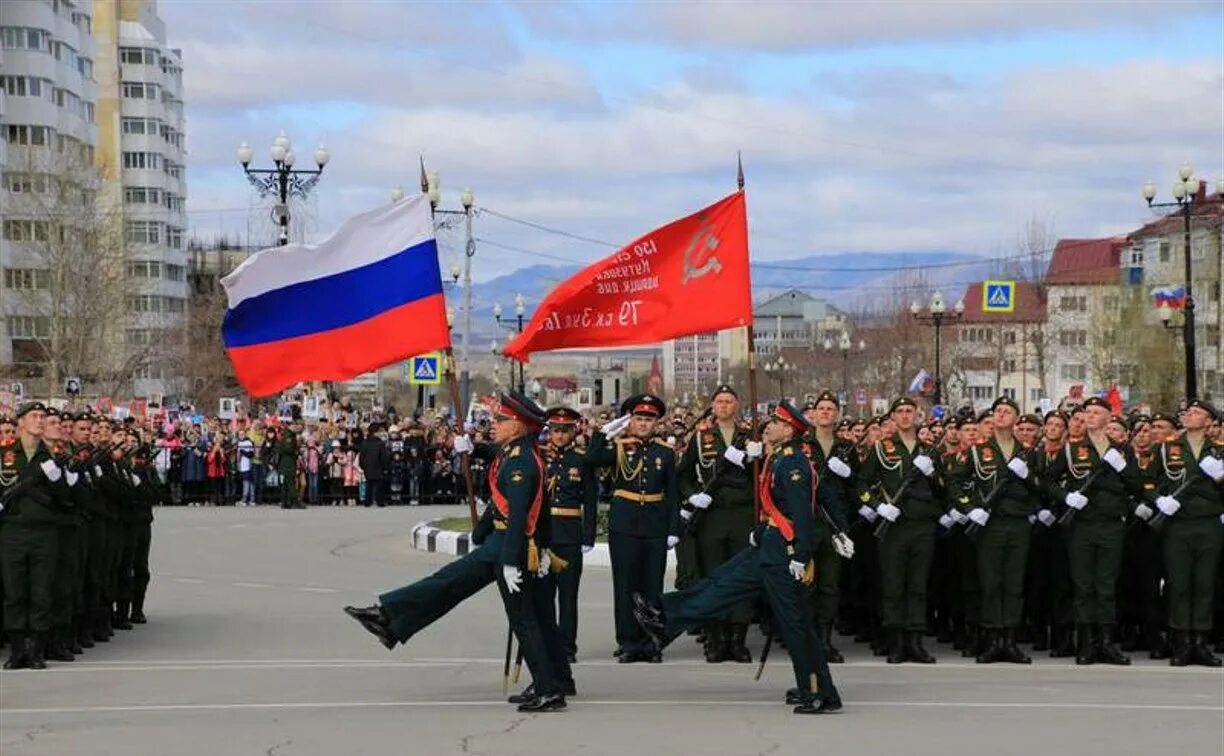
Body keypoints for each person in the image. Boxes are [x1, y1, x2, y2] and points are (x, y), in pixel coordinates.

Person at [343, 392, 567, 712]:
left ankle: (549, 688)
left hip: (509, 548)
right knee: (451, 581)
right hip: (498, 544)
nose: (494, 425)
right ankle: (389, 617)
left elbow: (522, 514)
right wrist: (472, 448)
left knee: (523, 618)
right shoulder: (515, 452)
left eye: (501, 421)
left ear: (517, 426)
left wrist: (517, 560)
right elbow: (503, 469)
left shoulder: (522, 463)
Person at [633, 401, 842, 715]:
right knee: (721, 583)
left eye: (774, 422)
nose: (767, 426)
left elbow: (802, 514)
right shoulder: (780, 458)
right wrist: (761, 529)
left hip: (783, 555)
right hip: (769, 546)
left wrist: (801, 555)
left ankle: (817, 689)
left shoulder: (793, 463)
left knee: (795, 624)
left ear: (787, 430)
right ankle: (663, 613)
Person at [1044, 396, 1155, 665]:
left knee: (1106, 585)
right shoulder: (1071, 450)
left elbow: (1139, 486)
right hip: (1081, 525)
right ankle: (1086, 643)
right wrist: (1066, 497)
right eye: (1087, 412)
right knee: (1083, 585)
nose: (1090, 416)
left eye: (1096, 412)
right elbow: (1047, 481)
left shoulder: (1122, 450)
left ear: (1108, 418)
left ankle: (1106, 642)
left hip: (1111, 525)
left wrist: (1123, 467)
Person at [585, 394, 680, 663]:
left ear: (656, 423)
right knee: (625, 585)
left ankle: (651, 642)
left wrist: (674, 528)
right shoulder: (618, 448)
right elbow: (591, 460)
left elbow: (672, 495)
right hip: (624, 524)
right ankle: (627, 641)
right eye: (638, 418)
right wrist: (602, 434)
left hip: (655, 524)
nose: (643, 424)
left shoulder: (665, 453)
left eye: (648, 419)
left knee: (652, 584)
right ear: (630, 421)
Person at [854, 397, 945, 664]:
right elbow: (861, 483)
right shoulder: (883, 449)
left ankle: (915, 641)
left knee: (918, 584)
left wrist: (931, 475)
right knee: (893, 584)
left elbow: (942, 490)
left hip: (922, 526)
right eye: (900, 412)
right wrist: (878, 506)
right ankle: (895, 642)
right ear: (892, 417)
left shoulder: (929, 451)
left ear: (918, 416)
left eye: (910, 411)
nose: (906, 416)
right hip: (893, 527)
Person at [949, 397, 1039, 664]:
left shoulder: (1027, 453)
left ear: (1016, 418)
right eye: (997, 411)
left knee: (1013, 583)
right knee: (990, 583)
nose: (1000, 415)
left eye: (1007, 411)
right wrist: (970, 508)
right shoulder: (978, 451)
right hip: (990, 524)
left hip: (1018, 523)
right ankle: (992, 640)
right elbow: (955, 482)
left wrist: (1027, 477)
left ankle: (1009, 641)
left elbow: (1041, 488)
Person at [676, 385, 762, 663]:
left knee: (741, 578)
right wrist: (693, 496)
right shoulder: (700, 439)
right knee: (712, 576)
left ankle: (737, 640)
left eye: (729, 401)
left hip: (741, 515)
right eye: (720, 401)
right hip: (712, 516)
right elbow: (683, 475)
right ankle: (715, 639)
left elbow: (763, 479)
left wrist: (756, 457)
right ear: (713, 406)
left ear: (736, 406)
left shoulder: (751, 437)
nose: (724, 406)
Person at [1152, 399, 1223, 667]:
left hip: (1208, 524)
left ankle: (1201, 644)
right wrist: (1159, 500)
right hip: (1177, 525)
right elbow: (1150, 482)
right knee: (1179, 585)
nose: (1189, 415)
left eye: (1196, 413)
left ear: (1209, 421)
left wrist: (1220, 478)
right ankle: (1181, 643)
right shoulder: (1167, 448)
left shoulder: (1219, 451)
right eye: (1188, 412)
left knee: (1204, 585)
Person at [1, 402, 66, 670]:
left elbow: (66, 498)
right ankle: (17, 651)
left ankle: (37, 650)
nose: (40, 420)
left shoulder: (51, 457)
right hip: (12, 531)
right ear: (21, 423)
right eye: (34, 416)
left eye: (43, 416)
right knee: (14, 593)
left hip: (44, 532)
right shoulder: (5, 456)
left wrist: (57, 478)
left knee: (41, 592)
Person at [799, 391, 855, 663]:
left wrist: (849, 472)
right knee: (807, 584)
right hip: (808, 521)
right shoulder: (801, 444)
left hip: (834, 524)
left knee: (830, 585)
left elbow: (857, 485)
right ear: (812, 413)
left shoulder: (846, 447)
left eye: (831, 409)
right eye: (821, 408)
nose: (825, 413)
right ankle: (807, 640)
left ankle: (825, 639)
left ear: (837, 414)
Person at [539, 407, 596, 663]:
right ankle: (548, 642)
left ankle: (567, 646)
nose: (559, 435)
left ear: (574, 432)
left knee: (568, 596)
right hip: (544, 535)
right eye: (555, 430)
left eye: (565, 430)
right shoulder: (540, 457)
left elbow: (591, 500)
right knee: (544, 595)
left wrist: (588, 536)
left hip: (570, 535)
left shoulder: (581, 460)